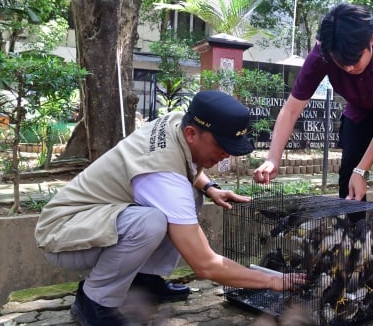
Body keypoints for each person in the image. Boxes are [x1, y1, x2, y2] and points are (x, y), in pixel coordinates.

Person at [35, 90, 305, 326]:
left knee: (191, 193)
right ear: (191, 133)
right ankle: (94, 301)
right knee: (151, 221)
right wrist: (272, 281)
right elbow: (205, 265)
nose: (227, 154)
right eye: (222, 146)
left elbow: (185, 167)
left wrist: (210, 188)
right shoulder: (162, 176)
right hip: (64, 235)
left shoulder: (179, 121)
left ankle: (145, 279)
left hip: (93, 221)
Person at [252, 3, 373, 299]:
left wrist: (364, 170)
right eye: (340, 63)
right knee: (347, 176)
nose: (348, 68)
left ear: (371, 40)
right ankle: (358, 253)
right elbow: (292, 109)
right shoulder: (322, 53)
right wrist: (272, 157)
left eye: (354, 61)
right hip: (360, 108)